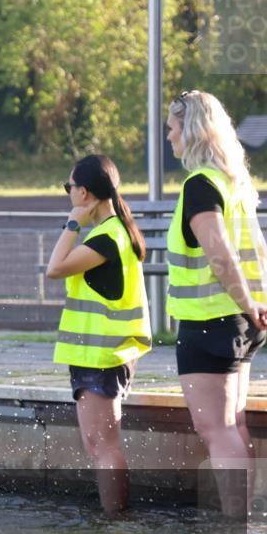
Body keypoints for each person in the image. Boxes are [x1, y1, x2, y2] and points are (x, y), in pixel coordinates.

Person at [165, 90, 267, 518]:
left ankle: (235, 526)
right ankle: (246, 519)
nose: (169, 138)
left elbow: (220, 254)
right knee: (235, 425)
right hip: (240, 322)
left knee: (217, 428)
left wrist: (246, 305)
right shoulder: (234, 182)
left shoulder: (200, 185)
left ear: (190, 131)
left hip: (212, 321)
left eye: (171, 129)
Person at [46, 154, 151, 515]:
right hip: (103, 355)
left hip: (100, 356)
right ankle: (114, 517)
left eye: (69, 188)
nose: (69, 194)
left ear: (85, 192)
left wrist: (72, 223)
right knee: (99, 444)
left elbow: (55, 268)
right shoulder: (116, 231)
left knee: (103, 445)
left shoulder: (107, 237)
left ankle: (115, 521)